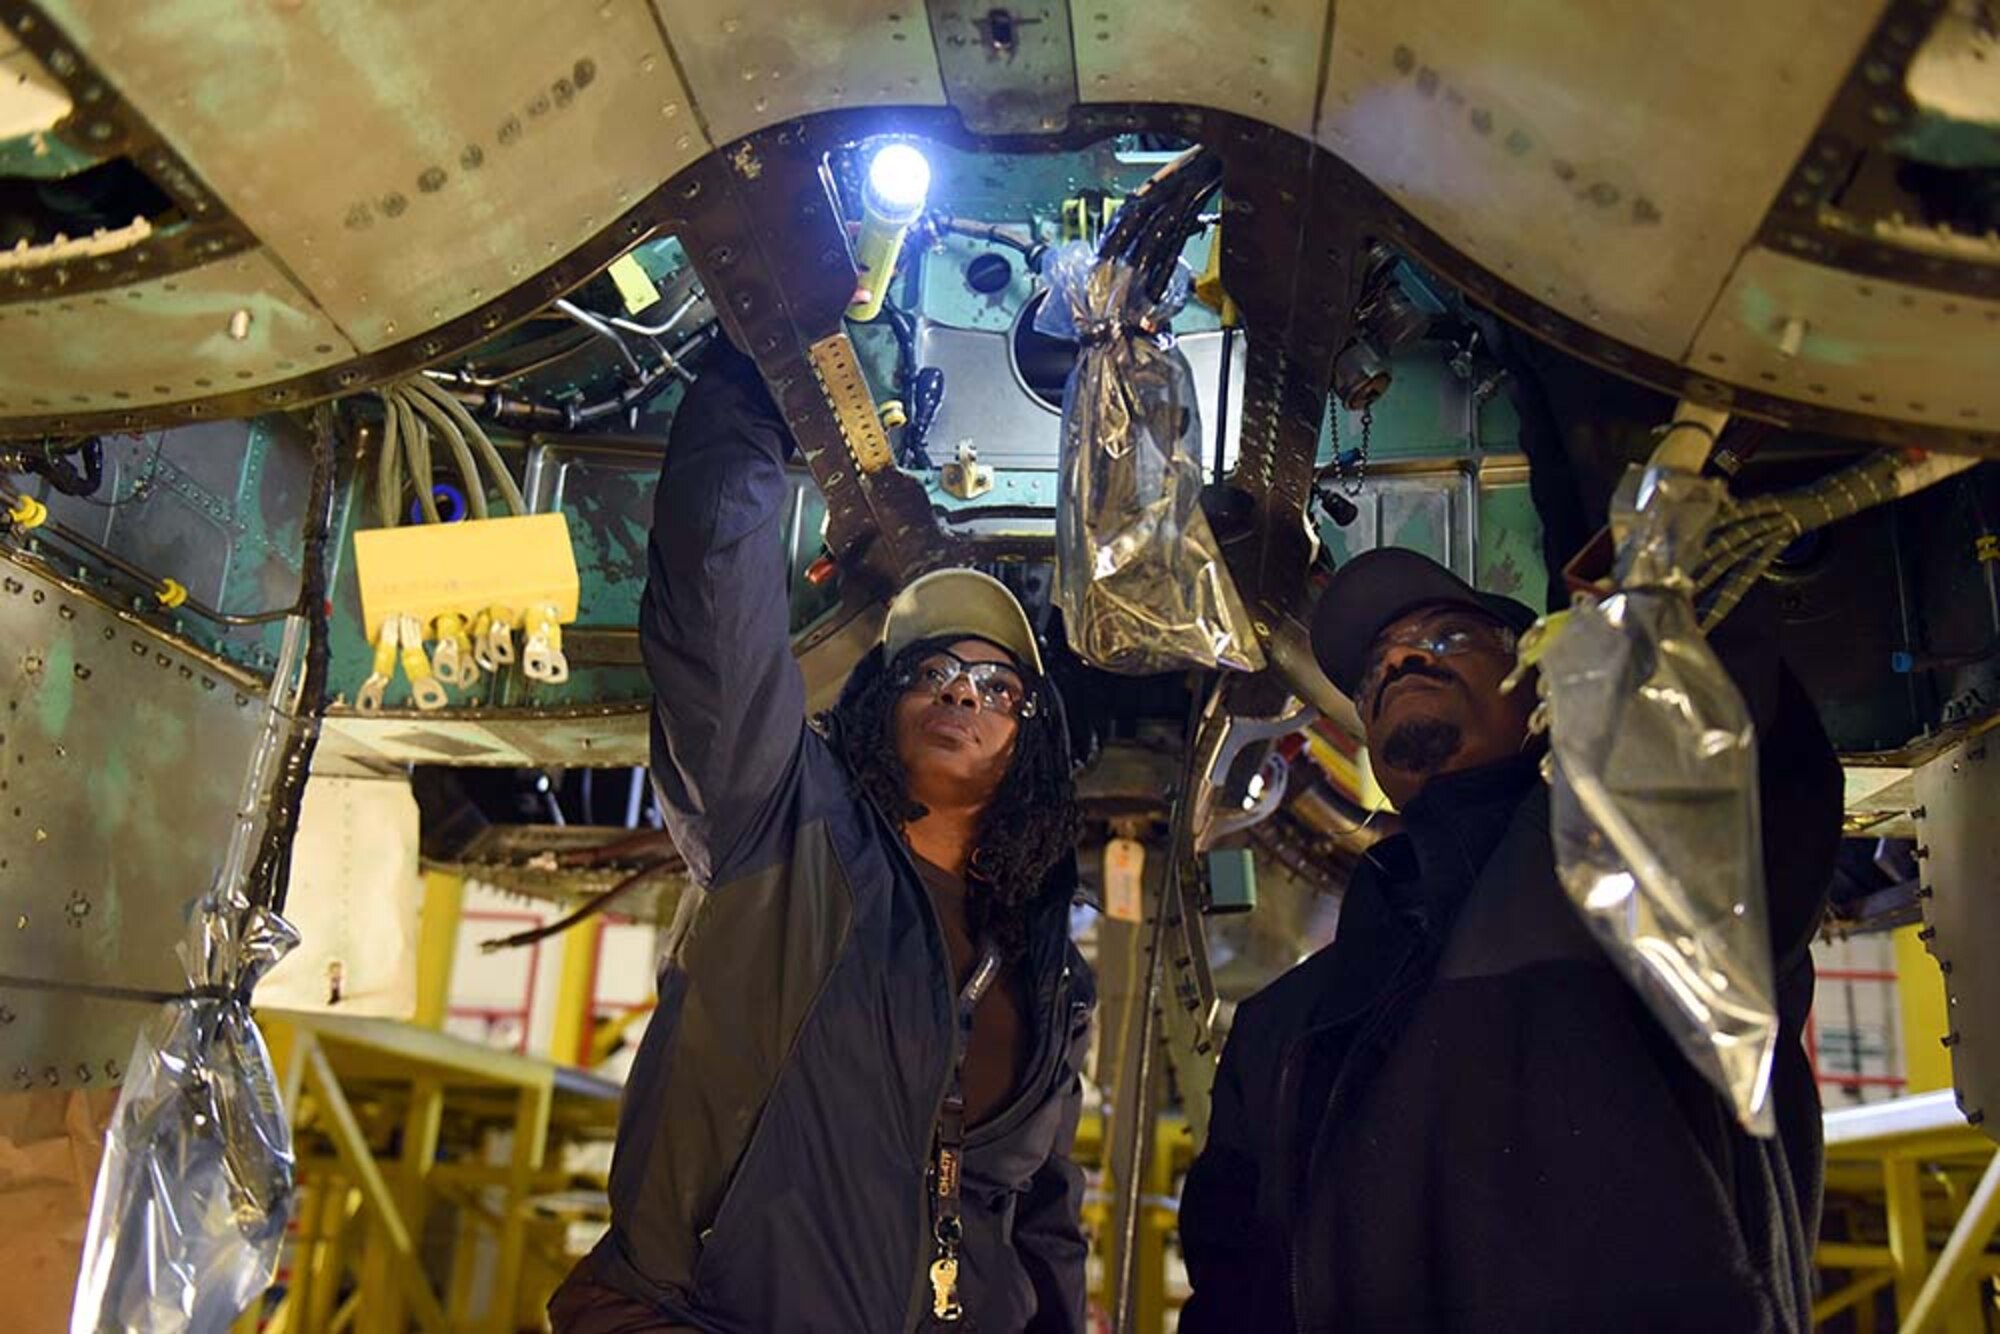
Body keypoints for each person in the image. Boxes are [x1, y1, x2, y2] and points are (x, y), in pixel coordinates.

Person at [550, 340, 1094, 1333]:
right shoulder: (788, 830)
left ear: (1031, 745)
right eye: (928, 670)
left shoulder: (1050, 966)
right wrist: (753, 376)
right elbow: (711, 610)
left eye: (996, 685)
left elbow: (1041, 1217)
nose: (960, 688)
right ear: (878, 709)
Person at [1179, 547, 1842, 1332]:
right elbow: (1233, 1291)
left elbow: (1738, 735)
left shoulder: (1647, 872)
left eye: (1450, 637)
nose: (1400, 660)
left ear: (1540, 692)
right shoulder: (1281, 1028)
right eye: (1376, 671)